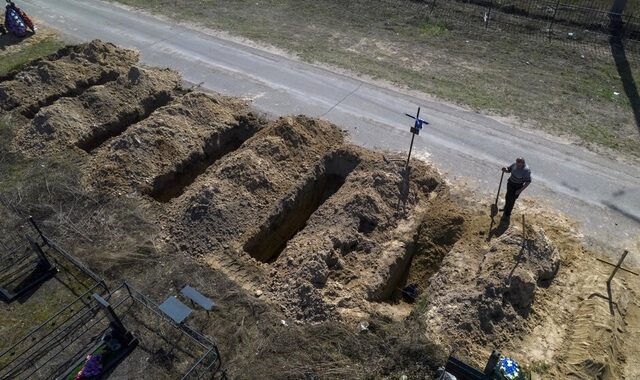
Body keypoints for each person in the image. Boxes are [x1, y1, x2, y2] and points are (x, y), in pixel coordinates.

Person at [500, 157, 531, 222]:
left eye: (519, 164)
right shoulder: (514, 164)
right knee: (507, 197)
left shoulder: (526, 171)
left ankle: (507, 215)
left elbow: (528, 181)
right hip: (510, 183)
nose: (517, 165)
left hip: (518, 186)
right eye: (517, 163)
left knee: (512, 201)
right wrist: (505, 169)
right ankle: (505, 208)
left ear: (523, 163)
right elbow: (509, 169)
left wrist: (520, 190)